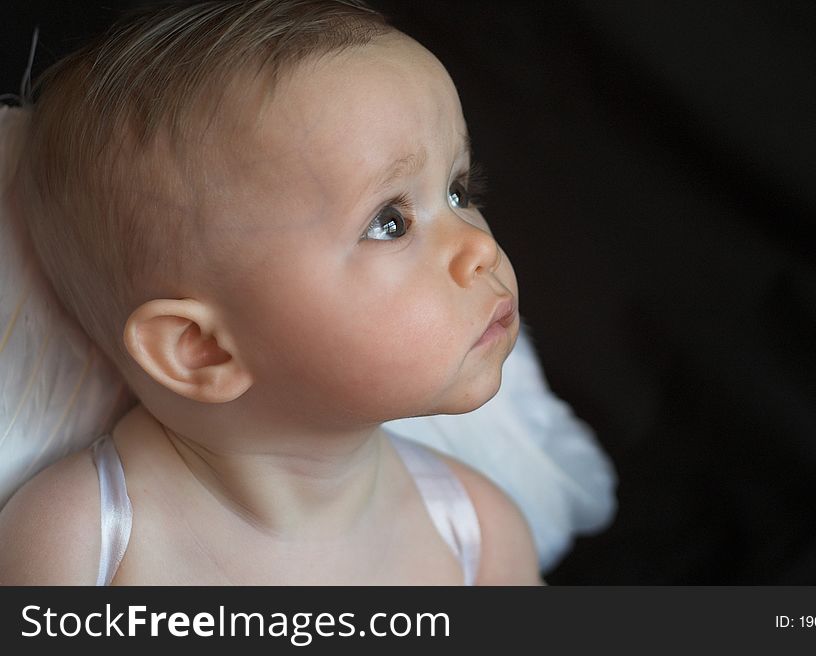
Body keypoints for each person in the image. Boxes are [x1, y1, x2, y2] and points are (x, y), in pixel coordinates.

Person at [0, 0, 546, 585]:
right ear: (201, 348)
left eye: (459, 190)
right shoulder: (82, 543)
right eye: (389, 221)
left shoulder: (479, 536)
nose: (478, 246)